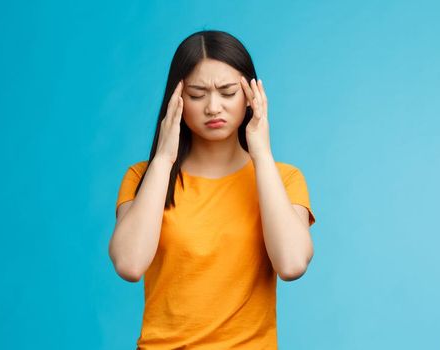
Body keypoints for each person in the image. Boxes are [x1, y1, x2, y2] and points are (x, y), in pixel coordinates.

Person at [109, 30, 316, 349]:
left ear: (251, 95)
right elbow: (129, 264)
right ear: (176, 99)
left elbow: (291, 264)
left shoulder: (283, 179)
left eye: (227, 92)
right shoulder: (143, 177)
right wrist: (164, 159)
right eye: (197, 94)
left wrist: (262, 155)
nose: (213, 107)